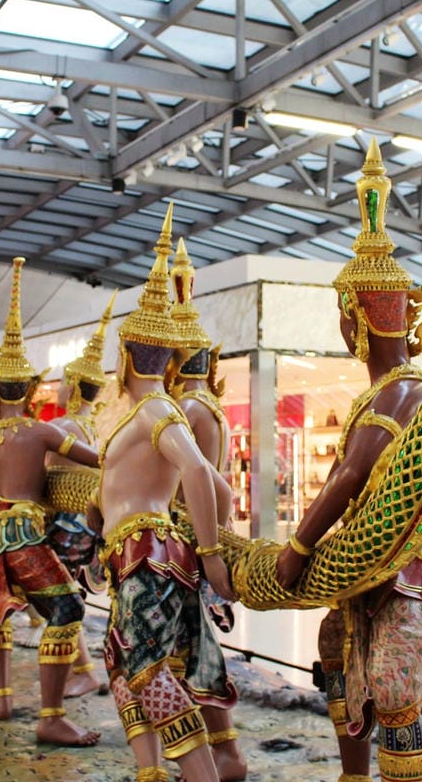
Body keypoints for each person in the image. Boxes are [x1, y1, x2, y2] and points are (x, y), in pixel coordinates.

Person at [275, 140, 422, 782]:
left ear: (356, 316)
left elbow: (351, 475)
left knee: (391, 684)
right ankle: (354, 775)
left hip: (408, 563)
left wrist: (297, 548)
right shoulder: (378, 396)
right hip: (363, 562)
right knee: (336, 656)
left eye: (342, 315)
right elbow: (344, 477)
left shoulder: (407, 391)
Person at [96, 212, 237, 782]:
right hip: (145, 554)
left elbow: (202, 475)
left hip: (147, 554)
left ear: (127, 357)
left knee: (150, 676)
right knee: (129, 664)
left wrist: (213, 556)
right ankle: (151, 772)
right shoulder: (153, 411)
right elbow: (219, 485)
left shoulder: (156, 410)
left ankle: (202, 775)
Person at [0, 258, 101, 745]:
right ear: (29, 389)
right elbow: (95, 460)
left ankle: (2, 696)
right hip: (24, 532)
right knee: (67, 612)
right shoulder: (40, 430)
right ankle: (50, 715)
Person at [167, 235, 245, 782]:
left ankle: (220, 754)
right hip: (198, 532)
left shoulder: (184, 409)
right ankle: (222, 750)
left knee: (189, 649)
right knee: (197, 645)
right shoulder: (207, 405)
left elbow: (200, 478)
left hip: (185, 537)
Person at [42, 291, 117, 699]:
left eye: (60, 383)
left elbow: (46, 476)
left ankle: (83, 670)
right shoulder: (95, 431)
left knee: (59, 599)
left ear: (72, 386)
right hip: (85, 527)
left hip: (64, 528)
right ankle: (83, 667)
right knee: (65, 598)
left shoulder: (65, 429)